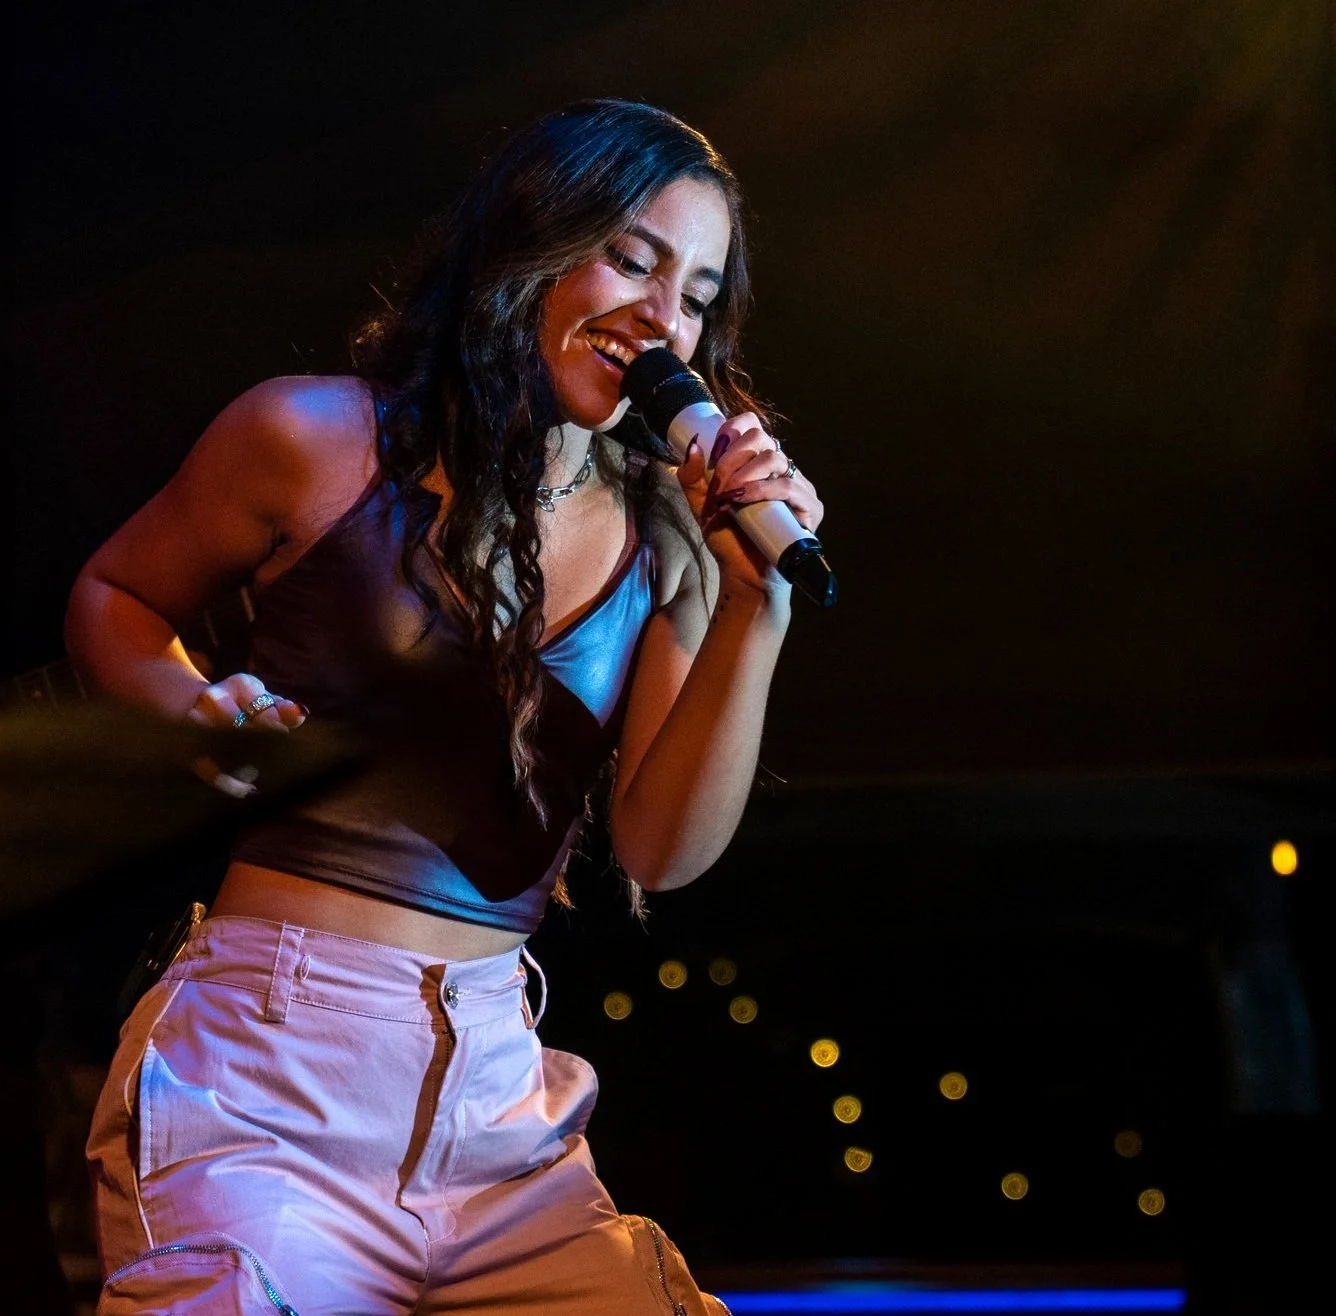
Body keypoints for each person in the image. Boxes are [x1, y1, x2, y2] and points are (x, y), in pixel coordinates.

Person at [69, 99, 823, 1314]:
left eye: (694, 293)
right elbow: (116, 593)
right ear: (529, 242)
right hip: (268, 1077)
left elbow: (661, 849)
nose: (661, 315)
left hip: (495, 1103)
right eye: (630, 258)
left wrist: (755, 606)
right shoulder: (313, 435)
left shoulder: (666, 542)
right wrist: (190, 704)